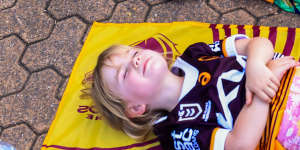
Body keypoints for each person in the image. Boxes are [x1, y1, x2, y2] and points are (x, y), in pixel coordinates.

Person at [83, 34, 299, 150]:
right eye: (124, 72)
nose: (136, 59)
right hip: (283, 123)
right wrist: (265, 85)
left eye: (133, 53)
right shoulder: (175, 132)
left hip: (292, 75)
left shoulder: (194, 54)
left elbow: (258, 43)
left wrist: (257, 66)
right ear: (136, 107)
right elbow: (239, 144)